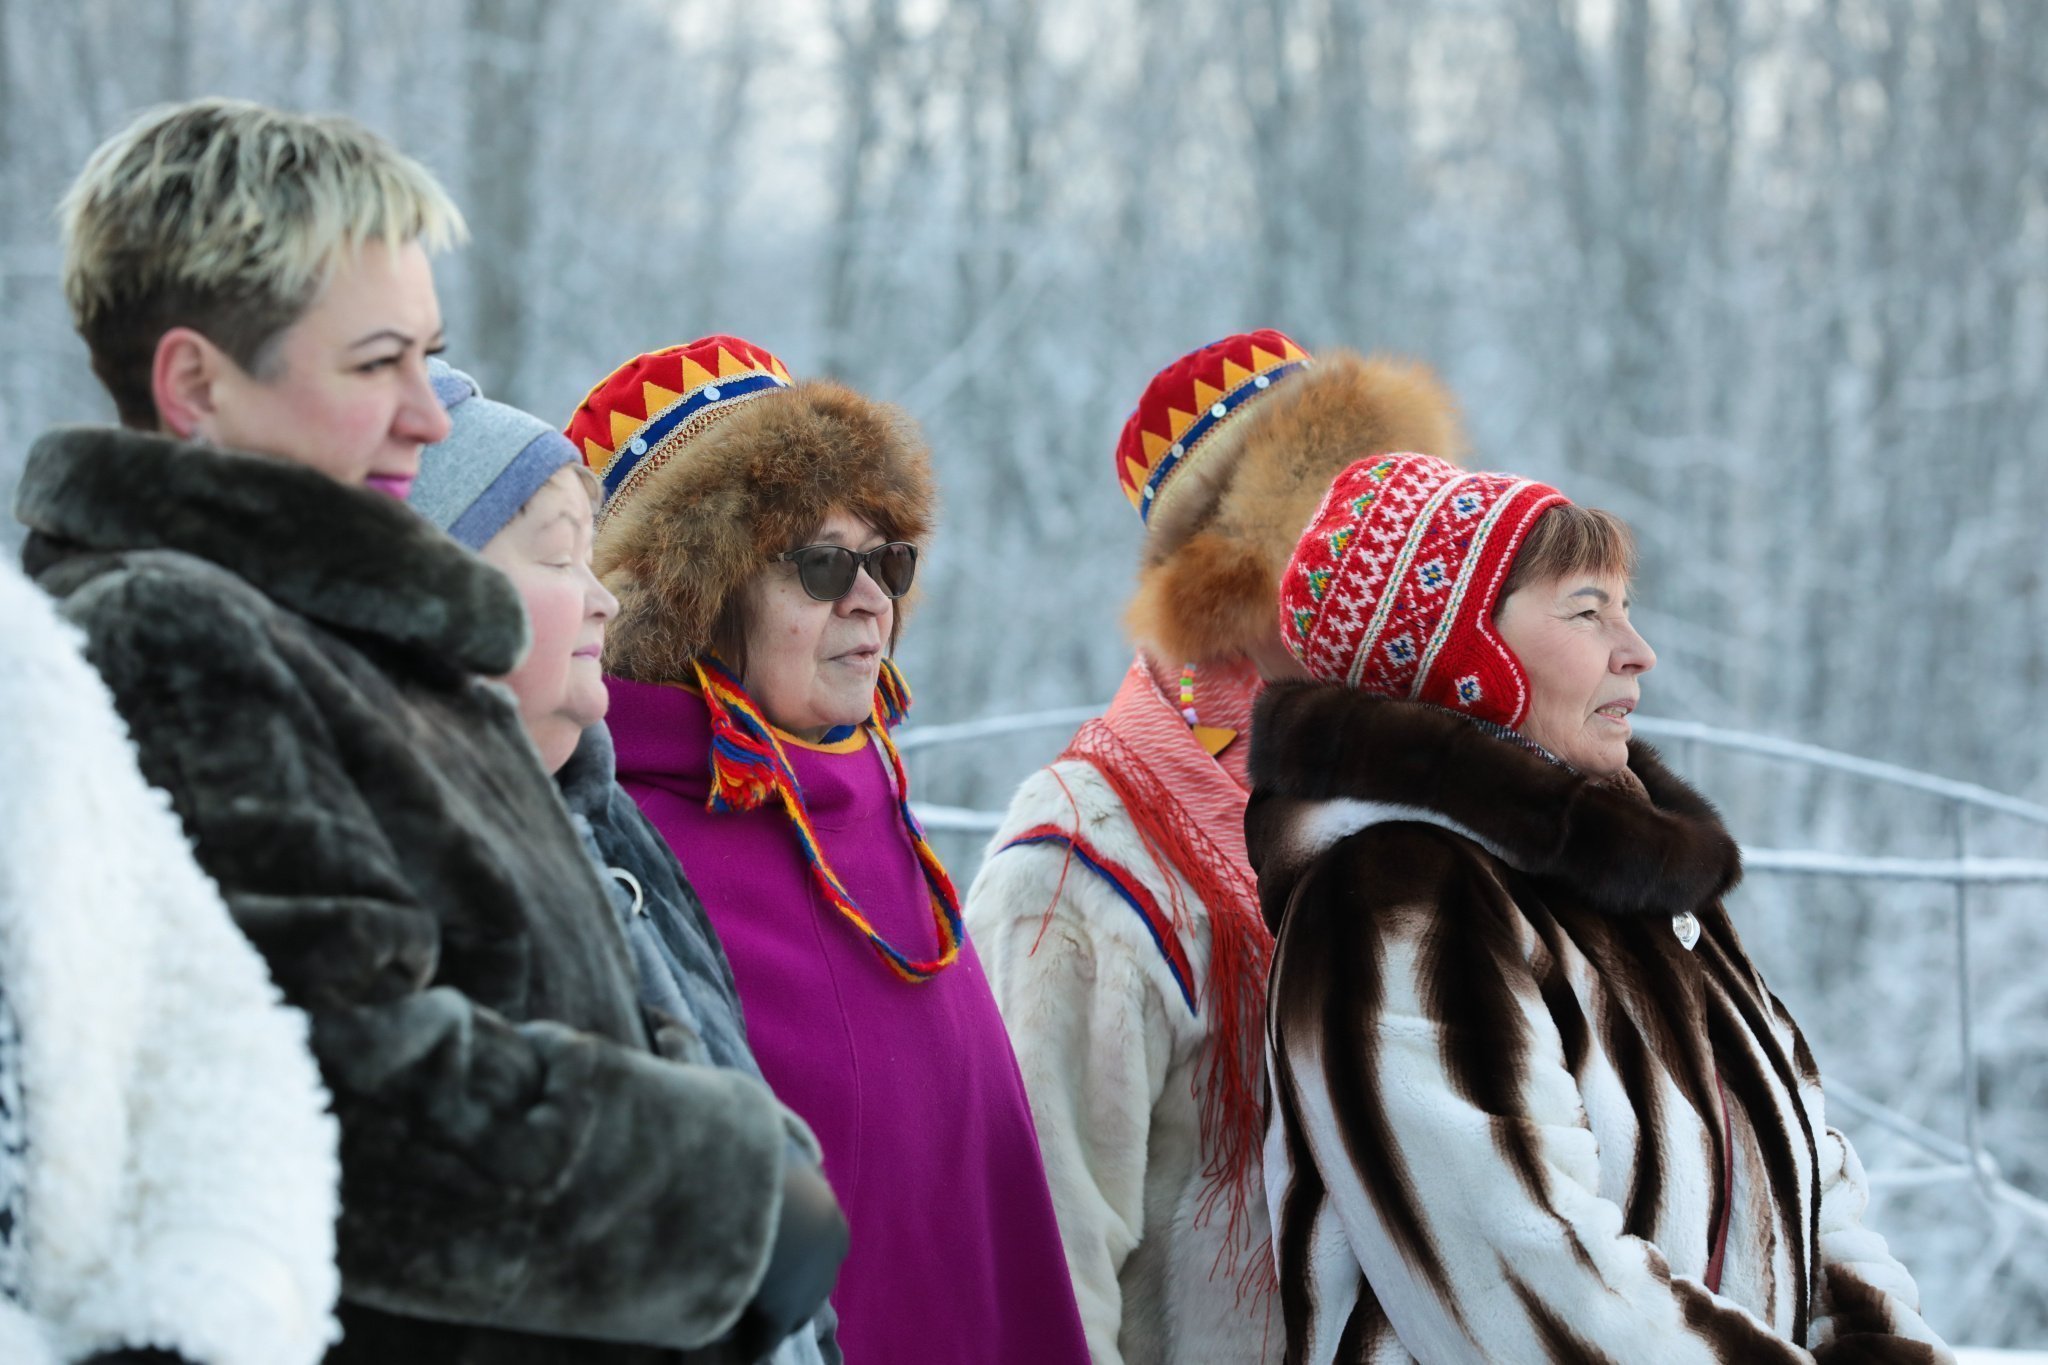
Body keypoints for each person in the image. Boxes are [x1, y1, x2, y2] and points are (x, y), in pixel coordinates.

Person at [15, 98, 807, 1363]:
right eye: (375, 363)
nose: (431, 415)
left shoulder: (364, 636)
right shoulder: (173, 639)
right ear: (194, 383)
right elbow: (346, 1098)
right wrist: (720, 1194)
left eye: (426, 357)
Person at [1250, 452, 1954, 1363]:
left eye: (1625, 607)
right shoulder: (1398, 903)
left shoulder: (1643, 894)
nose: (1639, 649)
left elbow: (1818, 1189)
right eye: (1588, 611)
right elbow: (1534, 1289)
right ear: (1462, 658)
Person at [568, 336, 1089, 1364]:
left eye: (884, 560)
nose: (870, 599)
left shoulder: (874, 805)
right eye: (820, 565)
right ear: (697, 598)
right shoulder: (628, 854)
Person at [962, 330, 1464, 1364]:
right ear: (1241, 578)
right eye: (1342, 538)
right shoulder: (1080, 861)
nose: (1383, 578)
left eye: (1394, 541)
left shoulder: (1409, 814)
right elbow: (1039, 1272)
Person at [408, 360, 846, 1365]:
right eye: (560, 557)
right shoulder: (437, 872)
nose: (604, 602)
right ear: (438, 589)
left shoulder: (602, 823)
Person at [0, 558, 339, 1365]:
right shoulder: (155, 628)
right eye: (556, 552)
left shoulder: (21, 666)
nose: (423, 422)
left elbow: (214, 1044)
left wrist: (196, 1319)